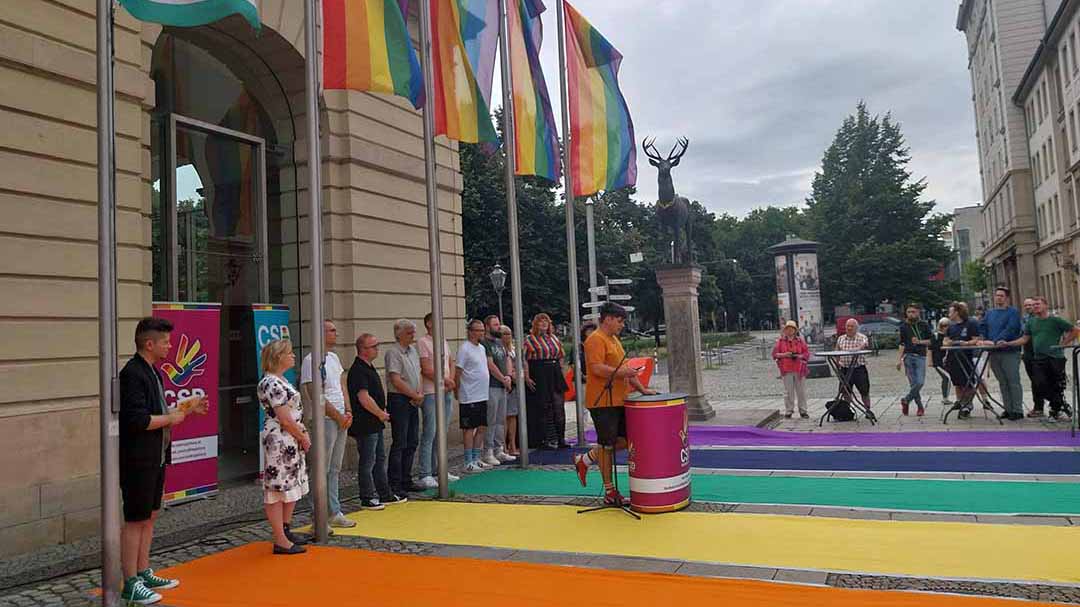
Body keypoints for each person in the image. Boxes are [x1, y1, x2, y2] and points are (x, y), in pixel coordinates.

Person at [119, 317, 208, 603]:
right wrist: (171, 417)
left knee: (151, 514)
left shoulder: (154, 373)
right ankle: (130, 581)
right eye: (166, 342)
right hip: (138, 458)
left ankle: (143, 570)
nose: (170, 346)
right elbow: (137, 420)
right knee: (136, 518)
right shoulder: (132, 373)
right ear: (149, 344)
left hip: (156, 456)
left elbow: (159, 412)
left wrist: (187, 409)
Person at [573, 303, 655, 506]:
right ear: (607, 318)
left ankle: (586, 459)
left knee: (626, 441)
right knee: (607, 445)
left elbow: (625, 367)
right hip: (602, 400)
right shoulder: (595, 340)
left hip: (620, 399)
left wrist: (642, 389)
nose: (622, 325)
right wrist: (623, 373)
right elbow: (597, 368)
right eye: (619, 321)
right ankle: (609, 491)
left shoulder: (614, 340)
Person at [299, 320, 355, 529]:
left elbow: (342, 385)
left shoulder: (333, 357)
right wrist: (336, 415)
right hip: (325, 419)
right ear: (320, 334)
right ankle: (319, 515)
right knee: (321, 468)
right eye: (332, 331)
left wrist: (347, 410)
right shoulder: (310, 360)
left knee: (334, 467)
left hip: (340, 416)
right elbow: (315, 394)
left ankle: (334, 510)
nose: (336, 334)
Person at [257, 338, 310, 555]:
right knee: (277, 488)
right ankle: (280, 538)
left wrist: (301, 433)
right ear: (278, 357)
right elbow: (284, 419)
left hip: (290, 438)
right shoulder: (270, 383)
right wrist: (303, 436)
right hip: (280, 440)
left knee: (291, 484)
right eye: (289, 353)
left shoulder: (281, 380)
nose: (293, 356)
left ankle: (285, 529)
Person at [348, 333, 406, 510]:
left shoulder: (369, 367)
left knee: (379, 458)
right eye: (374, 346)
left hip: (375, 421)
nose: (377, 349)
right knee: (368, 461)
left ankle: (384, 493)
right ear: (363, 349)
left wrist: (381, 412)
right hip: (366, 422)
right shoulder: (358, 369)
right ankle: (367, 496)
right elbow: (363, 397)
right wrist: (380, 413)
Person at [1006, 296, 1080, 420]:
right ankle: (1060, 404)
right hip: (1039, 358)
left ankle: (1056, 409)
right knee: (1039, 383)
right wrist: (1008, 343)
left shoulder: (1055, 320)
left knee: (1056, 384)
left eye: (1038, 304)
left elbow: (1075, 330)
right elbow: (1025, 338)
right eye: (1034, 305)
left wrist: (1063, 344)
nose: (1035, 307)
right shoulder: (1031, 322)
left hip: (1055, 357)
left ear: (1045, 305)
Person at [416, 312, 460, 489]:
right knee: (430, 432)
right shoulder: (423, 342)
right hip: (431, 392)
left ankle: (439, 468)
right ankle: (425, 472)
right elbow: (426, 368)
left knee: (442, 432)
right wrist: (444, 379)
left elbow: (450, 362)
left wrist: (452, 380)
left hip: (446, 390)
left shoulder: (443, 341)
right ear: (428, 323)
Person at [385, 319, 425, 495]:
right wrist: (414, 395)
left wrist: (419, 393)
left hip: (413, 398)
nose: (412, 335)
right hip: (399, 399)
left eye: (413, 332)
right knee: (400, 441)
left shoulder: (413, 351)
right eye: (409, 332)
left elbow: (419, 373)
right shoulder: (393, 352)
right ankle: (395, 482)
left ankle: (406, 478)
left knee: (412, 440)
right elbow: (396, 379)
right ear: (399, 334)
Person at [524, 313, 568, 450]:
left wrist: (561, 370)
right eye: (540, 322)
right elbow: (524, 358)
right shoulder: (529, 339)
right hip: (539, 371)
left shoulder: (554, 338)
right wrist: (527, 376)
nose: (543, 324)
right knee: (543, 407)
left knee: (558, 406)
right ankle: (543, 440)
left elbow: (561, 355)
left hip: (554, 371)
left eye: (546, 322)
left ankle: (561, 439)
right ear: (535, 324)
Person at [980, 287, 1025, 420]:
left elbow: (1011, 329)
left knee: (1013, 381)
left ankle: (1017, 410)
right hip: (994, 352)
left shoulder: (1013, 312)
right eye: (997, 295)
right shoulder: (990, 313)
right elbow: (983, 326)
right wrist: (983, 338)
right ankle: (1008, 408)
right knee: (1002, 382)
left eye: (1001, 295)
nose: (998, 298)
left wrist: (995, 341)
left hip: (1009, 351)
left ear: (1007, 298)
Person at [456, 319, 491, 472]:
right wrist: (457, 390)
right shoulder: (465, 349)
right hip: (469, 394)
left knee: (482, 426)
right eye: (478, 330)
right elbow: (458, 371)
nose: (481, 333)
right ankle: (468, 461)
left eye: (483, 330)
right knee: (469, 428)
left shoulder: (482, 348)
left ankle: (477, 457)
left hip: (482, 394)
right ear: (471, 331)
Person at [482, 315, 515, 465]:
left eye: (498, 324)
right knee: (491, 419)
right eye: (495, 325)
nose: (498, 327)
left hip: (502, 385)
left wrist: (508, 376)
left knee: (501, 419)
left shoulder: (499, 343)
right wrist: (503, 378)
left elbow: (507, 358)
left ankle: (499, 448)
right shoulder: (485, 343)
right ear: (487, 327)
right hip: (491, 385)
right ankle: (488, 450)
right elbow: (490, 364)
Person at [943, 301, 981, 418]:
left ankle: (968, 404)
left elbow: (976, 339)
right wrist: (951, 343)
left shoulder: (971, 323)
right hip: (953, 358)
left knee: (968, 383)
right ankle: (960, 402)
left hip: (966, 357)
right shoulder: (951, 326)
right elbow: (945, 341)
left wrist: (966, 343)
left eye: (950, 312)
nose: (949, 314)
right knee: (957, 383)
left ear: (957, 312)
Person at [896, 304, 931, 416]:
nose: (911, 314)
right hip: (908, 356)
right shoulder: (904, 326)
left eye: (913, 312)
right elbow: (901, 343)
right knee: (913, 383)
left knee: (920, 382)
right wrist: (899, 359)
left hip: (920, 356)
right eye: (909, 312)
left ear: (918, 312)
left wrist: (920, 342)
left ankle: (906, 399)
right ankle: (920, 407)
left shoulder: (924, 325)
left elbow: (931, 341)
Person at [772, 320, 810, 419]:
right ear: (785, 330)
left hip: (799, 369)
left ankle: (803, 410)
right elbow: (774, 354)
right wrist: (785, 354)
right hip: (786, 369)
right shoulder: (780, 341)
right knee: (788, 392)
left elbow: (807, 354)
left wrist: (800, 356)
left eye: (791, 329)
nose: (789, 331)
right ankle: (789, 410)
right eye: (787, 329)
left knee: (801, 391)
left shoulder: (800, 341)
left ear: (795, 330)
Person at [835, 318, 872, 413]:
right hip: (844, 368)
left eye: (852, 326)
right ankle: (847, 411)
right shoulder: (840, 338)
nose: (849, 328)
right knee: (845, 391)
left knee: (864, 391)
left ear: (856, 328)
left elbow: (865, 343)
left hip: (858, 368)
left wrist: (858, 348)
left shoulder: (861, 337)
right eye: (848, 326)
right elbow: (837, 351)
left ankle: (868, 410)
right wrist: (837, 363)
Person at [1020, 297, 1044, 416]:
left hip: (1040, 354)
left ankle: (1046, 406)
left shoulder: (1040, 319)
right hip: (1028, 353)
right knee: (1034, 381)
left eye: (1031, 305)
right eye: (1026, 305)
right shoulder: (1025, 319)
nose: (1029, 307)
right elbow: (1022, 335)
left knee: (1040, 380)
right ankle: (1038, 406)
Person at [501, 325, 521, 457]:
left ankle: (512, 444)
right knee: (502, 417)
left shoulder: (514, 349)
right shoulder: (498, 350)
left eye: (509, 333)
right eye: (504, 334)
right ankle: (502, 446)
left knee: (512, 416)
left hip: (514, 385)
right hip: (503, 385)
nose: (507, 336)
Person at [929, 318, 952, 406]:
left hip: (946, 361)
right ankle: (945, 398)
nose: (946, 328)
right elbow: (930, 348)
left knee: (946, 378)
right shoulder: (936, 335)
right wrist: (930, 361)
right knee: (947, 378)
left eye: (947, 326)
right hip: (938, 361)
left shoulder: (948, 336)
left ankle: (945, 398)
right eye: (944, 326)